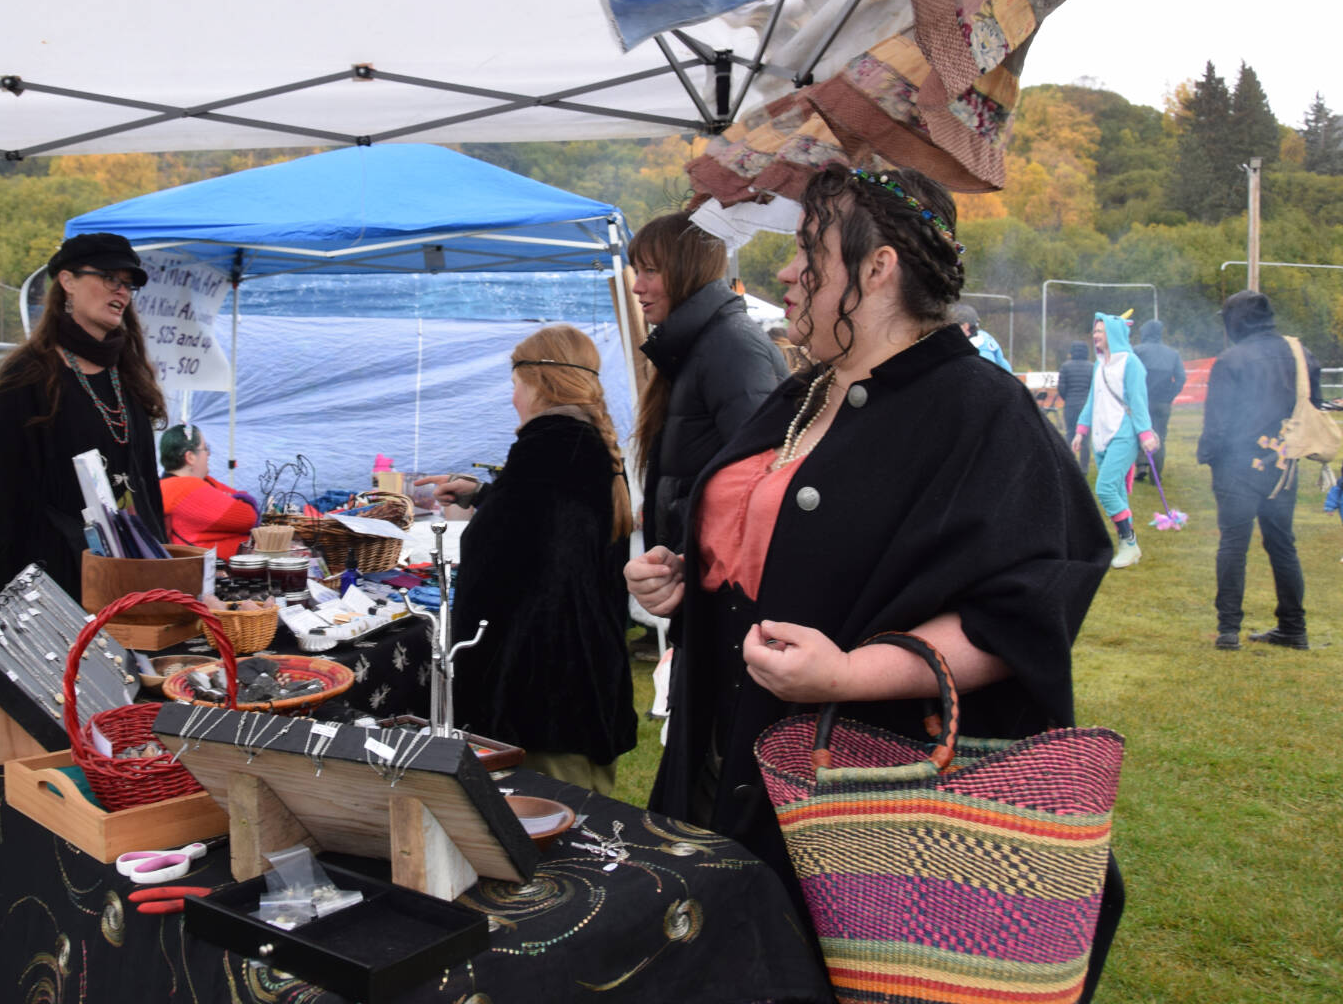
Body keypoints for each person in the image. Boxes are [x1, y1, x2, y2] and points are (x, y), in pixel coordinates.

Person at [624, 165, 1120, 993]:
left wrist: (851, 673)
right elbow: (753, 538)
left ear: (878, 267)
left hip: (855, 803)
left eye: (808, 250)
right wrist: (684, 574)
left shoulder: (979, 408)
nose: (786, 272)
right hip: (721, 759)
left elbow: (1025, 605)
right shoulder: (805, 390)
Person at [414, 326, 636, 792]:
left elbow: (508, 563)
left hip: (547, 695)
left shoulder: (548, 448)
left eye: (515, 385)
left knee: (555, 828)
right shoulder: (580, 446)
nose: (512, 398)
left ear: (540, 383)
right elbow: (550, 529)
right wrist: (484, 497)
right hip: (580, 679)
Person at [0, 233, 167, 603]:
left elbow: (147, 488)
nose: (120, 292)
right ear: (68, 281)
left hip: (127, 574)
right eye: (109, 278)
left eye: (127, 284)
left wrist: (163, 564)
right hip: (49, 580)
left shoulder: (129, 376)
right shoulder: (26, 380)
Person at [629, 212, 786, 554]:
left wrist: (694, 557)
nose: (637, 286)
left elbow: (761, 480)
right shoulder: (701, 346)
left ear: (689, 270)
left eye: (650, 271)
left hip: (720, 577)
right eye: (637, 271)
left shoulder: (731, 346)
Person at [1196, 290, 1320, 650]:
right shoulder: (1300, 353)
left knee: (1234, 545)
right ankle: (1294, 628)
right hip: (1283, 464)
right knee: (1283, 545)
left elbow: (1217, 423)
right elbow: (1312, 404)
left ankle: (1228, 630)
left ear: (1236, 320)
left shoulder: (1232, 360)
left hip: (1237, 465)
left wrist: (1208, 455)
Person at [1072, 313, 1158, 568]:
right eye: (1095, 331)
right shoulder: (1100, 364)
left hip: (1123, 433)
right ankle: (1126, 547)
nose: (1095, 335)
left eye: (1100, 331)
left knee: (1105, 488)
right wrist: (1081, 430)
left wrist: (1144, 433)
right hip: (1101, 433)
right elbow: (1092, 399)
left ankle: (1129, 542)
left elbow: (1138, 400)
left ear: (1113, 334)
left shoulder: (1130, 363)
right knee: (1117, 490)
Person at [158, 422, 260, 558]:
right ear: (190, 457)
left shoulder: (168, 485)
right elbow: (249, 517)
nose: (209, 454)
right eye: (205, 449)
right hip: (205, 572)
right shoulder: (186, 488)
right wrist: (236, 498)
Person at [1130, 319, 1187, 484]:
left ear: (1144, 333)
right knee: (1160, 437)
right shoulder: (1173, 354)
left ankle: (1140, 466)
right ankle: (1156, 477)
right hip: (1163, 402)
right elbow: (1181, 378)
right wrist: (1170, 395)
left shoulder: (1137, 351)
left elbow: (1130, 375)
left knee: (1140, 433)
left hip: (1142, 401)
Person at [1057, 340, 1095, 472]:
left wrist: (1068, 398)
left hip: (1071, 405)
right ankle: (1084, 468)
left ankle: (1069, 465)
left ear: (1071, 352)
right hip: (1086, 406)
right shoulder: (1092, 367)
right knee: (1085, 438)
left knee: (1070, 433)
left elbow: (1061, 388)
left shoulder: (1065, 366)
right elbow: (1094, 388)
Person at [949, 301, 1012, 370]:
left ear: (965, 326)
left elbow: (986, 375)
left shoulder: (980, 351)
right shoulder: (984, 337)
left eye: (952, 325)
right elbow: (1004, 365)